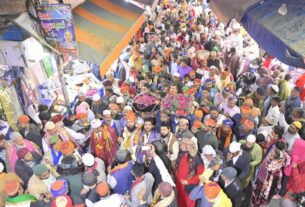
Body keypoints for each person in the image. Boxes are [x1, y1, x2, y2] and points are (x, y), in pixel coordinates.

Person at [175, 138, 204, 207]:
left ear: (189, 146)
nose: (181, 145)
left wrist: (188, 181)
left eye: (183, 144)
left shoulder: (197, 158)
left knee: (188, 203)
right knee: (180, 201)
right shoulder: (181, 153)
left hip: (189, 186)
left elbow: (201, 175)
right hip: (179, 184)